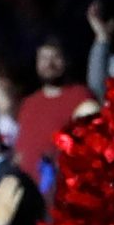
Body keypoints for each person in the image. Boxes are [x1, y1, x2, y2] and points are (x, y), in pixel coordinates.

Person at [12, 40, 90, 184]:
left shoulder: (81, 97)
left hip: (60, 191)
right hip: (27, 192)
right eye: (44, 58)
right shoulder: (29, 103)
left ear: (66, 61)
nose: (49, 64)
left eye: (56, 57)